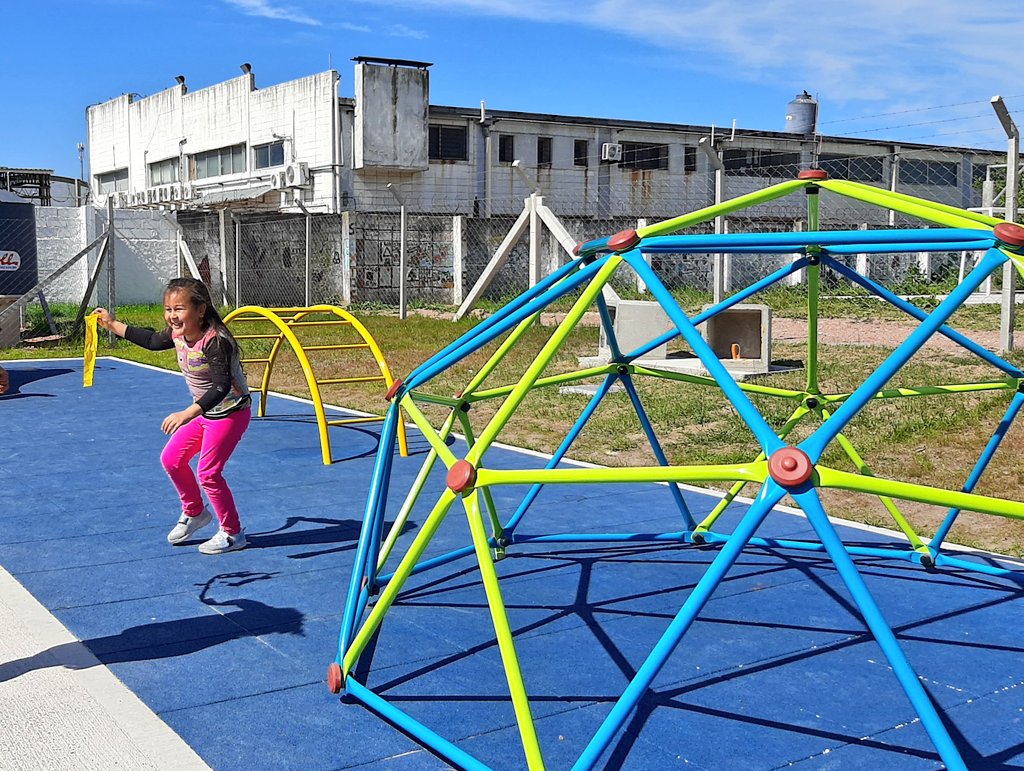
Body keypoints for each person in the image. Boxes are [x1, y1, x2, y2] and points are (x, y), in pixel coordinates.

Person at [95, 278, 252, 554]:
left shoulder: (216, 341)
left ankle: (232, 532)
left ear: (200, 310)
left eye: (179, 309)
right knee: (172, 459)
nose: (172, 316)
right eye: (168, 309)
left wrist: (187, 413)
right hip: (205, 412)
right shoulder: (178, 334)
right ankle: (195, 512)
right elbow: (152, 341)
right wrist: (112, 324)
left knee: (208, 473)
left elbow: (220, 386)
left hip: (230, 413)